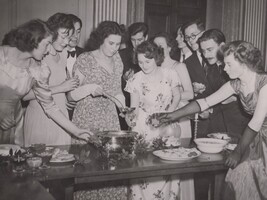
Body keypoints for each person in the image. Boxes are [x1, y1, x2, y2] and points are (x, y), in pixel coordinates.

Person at [152, 40, 267, 200]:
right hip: (256, 137)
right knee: (242, 182)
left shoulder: (264, 84)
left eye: (228, 64)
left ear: (243, 63)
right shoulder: (236, 84)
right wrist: (172, 115)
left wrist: (238, 151)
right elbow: (205, 102)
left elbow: (256, 122)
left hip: (260, 136)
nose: (225, 69)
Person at [0, 19, 91, 146]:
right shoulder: (1, 55)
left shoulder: (38, 68)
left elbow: (50, 106)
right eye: (47, 44)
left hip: (13, 123)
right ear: (34, 40)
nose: (49, 50)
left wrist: (76, 131)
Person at [70, 21, 127, 200]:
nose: (115, 48)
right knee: (88, 170)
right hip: (86, 120)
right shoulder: (85, 59)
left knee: (111, 169)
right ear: (101, 39)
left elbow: (117, 90)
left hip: (110, 120)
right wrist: (89, 88)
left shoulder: (117, 60)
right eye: (111, 43)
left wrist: (124, 107)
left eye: (118, 44)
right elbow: (71, 95)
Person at [125, 41, 182, 200]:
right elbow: (133, 107)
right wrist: (130, 119)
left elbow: (177, 96)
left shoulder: (170, 74)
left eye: (147, 61)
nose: (144, 65)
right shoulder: (135, 79)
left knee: (166, 168)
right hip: (144, 128)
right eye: (140, 62)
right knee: (144, 170)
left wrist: (170, 114)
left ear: (156, 57)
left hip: (167, 124)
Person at [199, 29, 249, 137]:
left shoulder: (237, 65)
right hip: (218, 126)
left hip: (240, 125)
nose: (206, 55)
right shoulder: (210, 69)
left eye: (209, 49)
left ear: (222, 46)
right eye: (203, 51)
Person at [153, 32, 194, 138]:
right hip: (157, 111)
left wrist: (169, 95)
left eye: (160, 46)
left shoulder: (179, 66)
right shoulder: (152, 68)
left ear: (169, 48)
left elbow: (190, 94)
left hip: (177, 112)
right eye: (154, 46)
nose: (157, 48)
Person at [119, 22, 149, 130]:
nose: (136, 44)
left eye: (139, 40)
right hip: (128, 104)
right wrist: (125, 80)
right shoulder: (121, 55)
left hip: (148, 105)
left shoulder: (152, 54)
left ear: (146, 37)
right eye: (133, 40)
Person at [65, 14, 85, 120]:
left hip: (81, 112)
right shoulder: (52, 54)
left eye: (78, 31)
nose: (76, 36)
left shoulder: (86, 54)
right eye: (72, 32)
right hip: (59, 109)